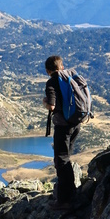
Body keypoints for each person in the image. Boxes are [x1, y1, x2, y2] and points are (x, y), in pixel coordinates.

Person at [43, 55, 80, 210]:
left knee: (61, 160)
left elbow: (51, 106)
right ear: (61, 67)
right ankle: (71, 193)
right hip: (76, 122)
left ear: (48, 70)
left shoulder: (52, 82)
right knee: (66, 157)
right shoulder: (70, 77)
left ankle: (65, 201)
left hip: (63, 126)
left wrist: (44, 102)